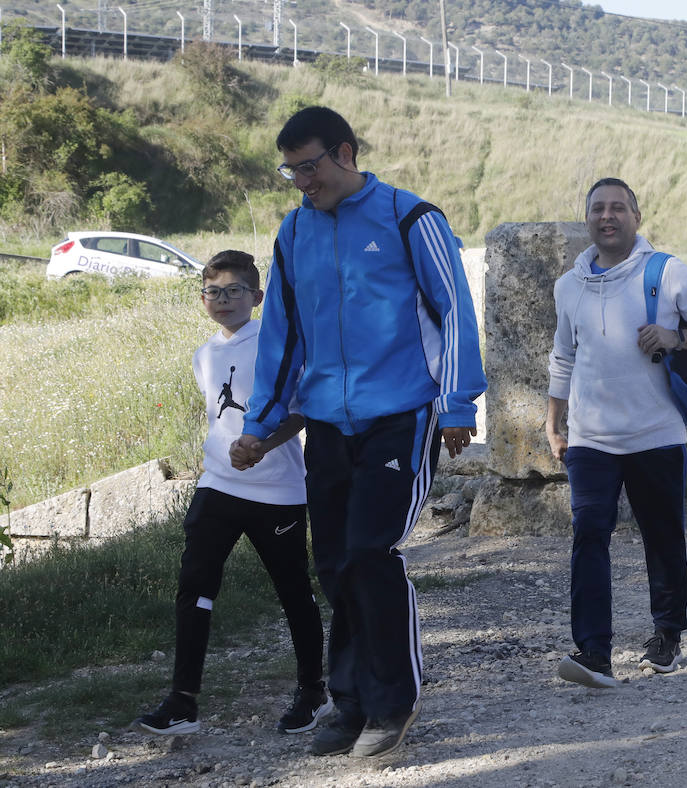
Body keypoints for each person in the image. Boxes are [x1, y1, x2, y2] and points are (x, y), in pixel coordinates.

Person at [237, 107, 486, 758]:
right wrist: (261, 423)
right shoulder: (294, 234)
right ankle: (347, 705)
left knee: (372, 553)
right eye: (290, 169)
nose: (300, 181)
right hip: (326, 420)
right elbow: (281, 337)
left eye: (310, 166)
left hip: (401, 412)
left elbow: (455, 311)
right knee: (336, 565)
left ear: (344, 153)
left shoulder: (411, 218)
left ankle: (392, 703)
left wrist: (459, 403)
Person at [135, 251, 328, 737]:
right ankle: (183, 702)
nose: (222, 300)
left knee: (292, 592)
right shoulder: (204, 354)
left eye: (234, 291)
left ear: (256, 297)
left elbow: (303, 411)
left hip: (276, 490)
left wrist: (263, 444)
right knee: (194, 586)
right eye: (212, 292)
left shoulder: (274, 342)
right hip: (217, 485)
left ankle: (313, 692)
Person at [546, 177, 687, 688]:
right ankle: (593, 653)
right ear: (587, 219)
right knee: (588, 535)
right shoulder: (569, 285)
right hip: (590, 438)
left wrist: (677, 336)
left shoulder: (665, 272)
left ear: (636, 216)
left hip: (656, 435)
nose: (608, 217)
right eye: (598, 209)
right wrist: (553, 423)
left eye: (618, 208)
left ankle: (667, 633)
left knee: (663, 538)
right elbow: (563, 357)